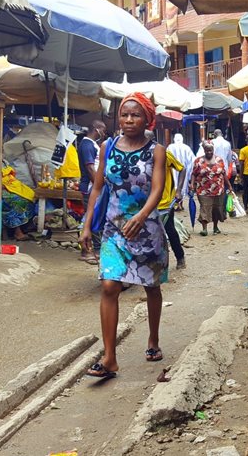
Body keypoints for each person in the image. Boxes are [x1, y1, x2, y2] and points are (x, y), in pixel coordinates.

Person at [80, 92, 169, 378]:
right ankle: (109, 358)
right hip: (113, 229)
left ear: (147, 119)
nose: (129, 120)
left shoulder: (157, 150)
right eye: (124, 114)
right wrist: (86, 223)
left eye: (135, 115)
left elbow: (157, 189)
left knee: (151, 287)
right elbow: (97, 187)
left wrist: (141, 216)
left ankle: (153, 339)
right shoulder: (107, 146)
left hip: (147, 229)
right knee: (109, 286)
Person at [190, 141, 233, 236]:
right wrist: (192, 184)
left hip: (218, 190)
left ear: (213, 150)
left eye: (211, 150)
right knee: (205, 207)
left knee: (216, 208)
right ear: (204, 150)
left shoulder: (219, 160)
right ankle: (204, 229)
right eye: (207, 150)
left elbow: (223, 174)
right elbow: (194, 173)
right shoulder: (198, 161)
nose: (209, 152)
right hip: (203, 190)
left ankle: (215, 227)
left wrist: (229, 186)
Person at [78, 121, 106, 264]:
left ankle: (92, 249)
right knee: (91, 218)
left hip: (93, 186)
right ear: (97, 129)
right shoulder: (87, 145)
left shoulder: (91, 144)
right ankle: (88, 251)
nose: (104, 133)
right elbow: (90, 168)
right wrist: (99, 184)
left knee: (93, 217)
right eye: (103, 130)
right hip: (90, 187)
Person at [158, 150, 187, 268]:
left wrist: (178, 190)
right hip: (145, 203)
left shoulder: (164, 154)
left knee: (170, 231)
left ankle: (180, 257)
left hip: (165, 203)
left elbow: (182, 169)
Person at [1, 165, 35, 241]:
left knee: (28, 199)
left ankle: (26, 227)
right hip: (0, 193)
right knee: (19, 203)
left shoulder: (4, 163)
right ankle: (17, 232)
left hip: (8, 189)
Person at [168, 133, 195, 207]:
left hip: (173, 170)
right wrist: (190, 174)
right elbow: (192, 161)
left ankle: (176, 204)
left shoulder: (170, 147)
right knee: (182, 187)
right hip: (184, 171)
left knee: (174, 186)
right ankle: (180, 204)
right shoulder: (187, 147)